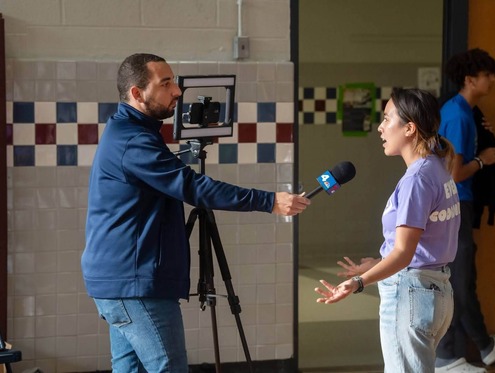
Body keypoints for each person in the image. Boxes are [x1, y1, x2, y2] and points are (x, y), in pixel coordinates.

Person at [81, 53, 310, 373]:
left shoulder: (129, 130)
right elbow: (193, 187)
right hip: (133, 284)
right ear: (137, 93)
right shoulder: (134, 140)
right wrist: (267, 201)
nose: (177, 91)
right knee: (169, 367)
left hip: (118, 282)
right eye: (166, 84)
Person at [315, 88, 460, 373]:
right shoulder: (438, 168)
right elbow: (423, 246)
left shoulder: (416, 180)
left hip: (412, 293)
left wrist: (358, 283)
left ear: (409, 128)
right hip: (437, 292)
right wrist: (380, 263)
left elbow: (405, 254)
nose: (380, 128)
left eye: (386, 119)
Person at [435, 48, 495, 373]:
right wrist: (483, 160)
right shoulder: (456, 114)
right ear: (470, 79)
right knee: (458, 280)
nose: (493, 80)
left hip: (460, 205)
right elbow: (452, 172)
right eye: (487, 75)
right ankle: (449, 358)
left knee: (463, 279)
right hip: (454, 204)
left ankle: (481, 346)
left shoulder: (466, 112)